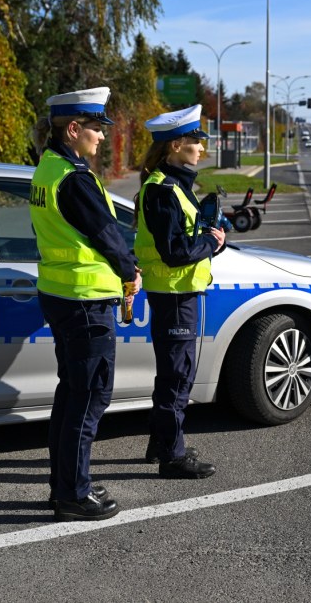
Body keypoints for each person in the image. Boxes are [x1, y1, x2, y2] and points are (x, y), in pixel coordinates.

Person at [30, 86, 141, 521]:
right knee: (89, 398)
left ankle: (65, 486)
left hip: (62, 297)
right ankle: (73, 495)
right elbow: (107, 236)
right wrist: (130, 271)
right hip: (85, 304)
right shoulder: (74, 177)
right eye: (95, 128)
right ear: (73, 129)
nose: (101, 136)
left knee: (71, 395)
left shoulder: (49, 168)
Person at [135, 104, 225, 479]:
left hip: (178, 293)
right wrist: (211, 243)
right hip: (174, 294)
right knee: (177, 377)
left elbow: (183, 237)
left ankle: (160, 444)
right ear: (174, 146)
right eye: (194, 141)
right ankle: (173, 457)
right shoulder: (162, 191)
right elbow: (175, 253)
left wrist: (210, 234)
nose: (201, 148)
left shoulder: (172, 186)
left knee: (172, 374)